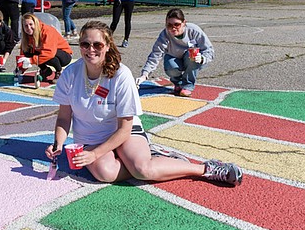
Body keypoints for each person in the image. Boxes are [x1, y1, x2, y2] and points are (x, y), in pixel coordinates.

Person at [45, 20, 242, 186]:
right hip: (90, 137)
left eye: (97, 45)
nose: (91, 50)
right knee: (105, 174)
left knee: (142, 170)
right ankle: (147, 159)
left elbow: (124, 129)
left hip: (123, 134)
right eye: (85, 44)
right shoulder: (70, 74)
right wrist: (58, 144)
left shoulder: (121, 75)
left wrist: (94, 154)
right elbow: (64, 117)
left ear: (107, 46)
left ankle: (205, 169)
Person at [135, 8, 214, 98]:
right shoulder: (164, 35)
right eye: (169, 25)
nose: (173, 28)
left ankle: (188, 86)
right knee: (170, 66)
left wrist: (203, 58)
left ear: (184, 22)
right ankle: (178, 83)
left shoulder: (194, 30)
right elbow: (155, 55)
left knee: (192, 55)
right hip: (174, 57)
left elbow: (209, 50)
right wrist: (144, 75)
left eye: (177, 24)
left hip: (191, 59)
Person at [18, 13, 72, 82]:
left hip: (63, 55)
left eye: (31, 24)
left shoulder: (47, 31)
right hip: (48, 53)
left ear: (36, 23)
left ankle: (59, 71)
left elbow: (49, 52)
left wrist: (31, 61)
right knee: (27, 52)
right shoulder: (27, 36)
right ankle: (45, 70)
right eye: (26, 26)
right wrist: (21, 69)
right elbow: (23, 54)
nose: (28, 28)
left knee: (49, 56)